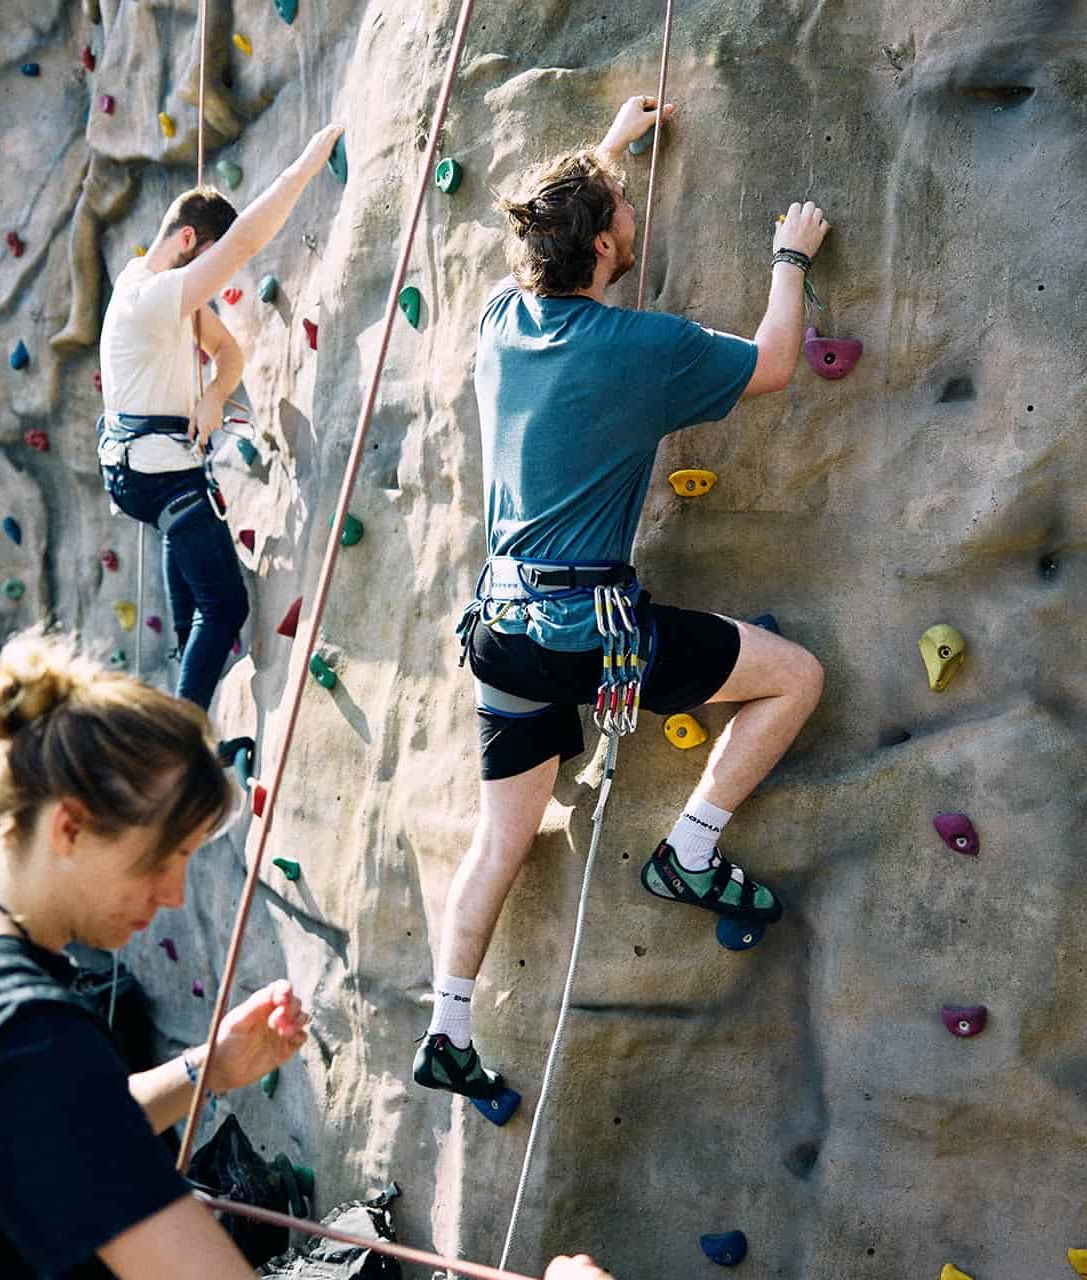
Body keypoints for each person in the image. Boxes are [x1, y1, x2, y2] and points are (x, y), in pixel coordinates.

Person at [0, 629, 617, 1280]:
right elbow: (43, 1098)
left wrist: (203, 1070)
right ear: (69, 827)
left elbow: (46, 1128)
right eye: (161, 858)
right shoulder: (17, 1031)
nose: (174, 893)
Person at [414, 95, 829, 1101]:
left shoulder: (498, 323)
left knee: (498, 831)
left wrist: (604, 150)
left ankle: (447, 1026)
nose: (633, 221)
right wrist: (790, 258)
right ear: (604, 243)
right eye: (621, 213)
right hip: (587, 638)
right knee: (794, 677)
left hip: (500, 632)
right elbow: (773, 361)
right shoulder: (643, 349)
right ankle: (689, 849)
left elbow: (555, 245)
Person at [97, 123, 344, 716]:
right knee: (225, 607)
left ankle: (185, 686)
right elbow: (240, 248)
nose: (216, 283)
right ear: (187, 240)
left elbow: (228, 353)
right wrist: (303, 170)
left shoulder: (151, 288)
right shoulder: (150, 300)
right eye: (206, 266)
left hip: (145, 474)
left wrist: (213, 396)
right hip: (159, 475)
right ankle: (181, 734)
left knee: (196, 621)